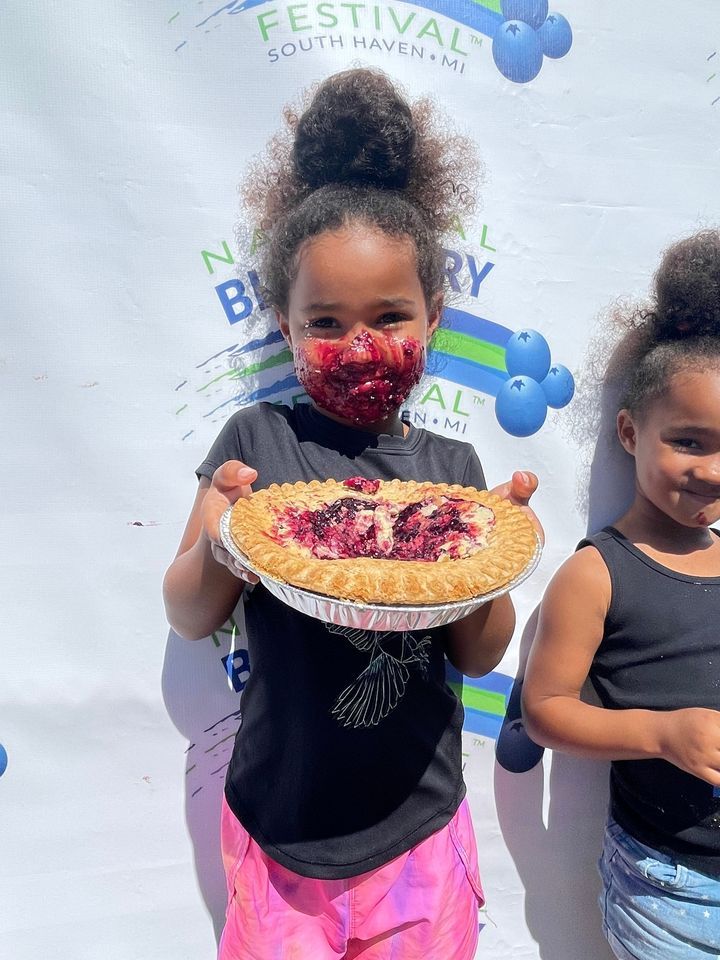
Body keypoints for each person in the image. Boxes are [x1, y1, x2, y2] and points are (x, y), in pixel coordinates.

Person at [164, 68, 540, 960]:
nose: (359, 345)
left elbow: (482, 652)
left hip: (418, 828)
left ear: (435, 317)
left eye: (389, 316)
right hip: (278, 828)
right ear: (283, 326)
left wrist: (495, 548)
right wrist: (220, 532)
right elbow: (187, 613)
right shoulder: (253, 442)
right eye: (325, 321)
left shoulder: (452, 473)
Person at [522, 230, 720, 960]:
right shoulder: (599, 572)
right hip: (669, 894)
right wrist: (661, 735)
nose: (711, 470)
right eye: (690, 441)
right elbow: (546, 713)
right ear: (632, 433)